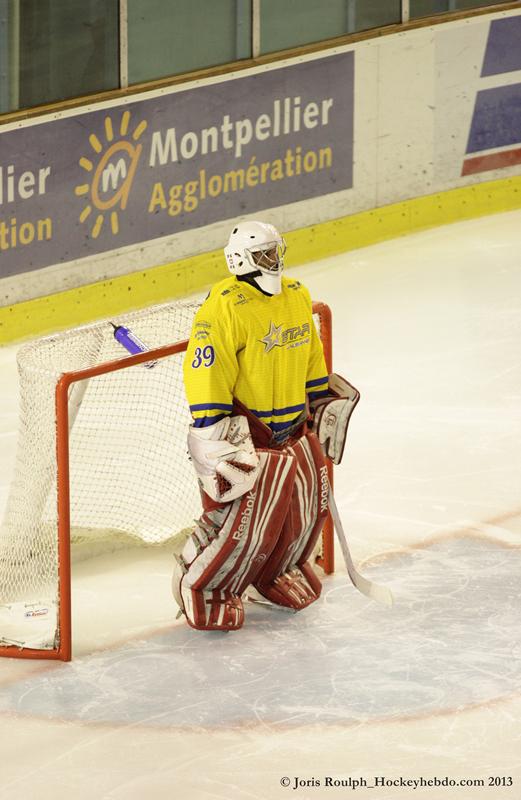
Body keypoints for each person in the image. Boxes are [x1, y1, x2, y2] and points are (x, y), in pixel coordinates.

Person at [172, 220, 358, 631]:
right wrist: (213, 426)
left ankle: (274, 574)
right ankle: (202, 585)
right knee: (243, 521)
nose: (274, 262)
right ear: (239, 260)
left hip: (292, 424)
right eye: (264, 255)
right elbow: (207, 367)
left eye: (276, 252)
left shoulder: (295, 295)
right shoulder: (224, 304)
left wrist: (319, 399)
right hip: (248, 431)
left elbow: (310, 354)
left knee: (302, 512)